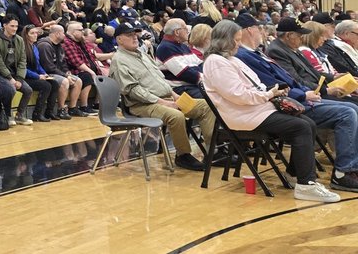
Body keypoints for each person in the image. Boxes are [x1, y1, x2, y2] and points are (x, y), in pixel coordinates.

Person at [202, 19, 340, 203]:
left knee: (308, 122)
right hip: (243, 115)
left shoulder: (230, 59)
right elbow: (239, 96)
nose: (237, 43)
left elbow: (255, 85)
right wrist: (268, 94)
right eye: (235, 39)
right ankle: (306, 184)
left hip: (255, 109)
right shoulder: (215, 62)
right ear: (224, 40)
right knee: (301, 127)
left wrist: (271, 92)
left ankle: (295, 174)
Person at [234, 12, 358, 192]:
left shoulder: (263, 52)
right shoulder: (259, 53)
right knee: (348, 112)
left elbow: (298, 77)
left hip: (300, 96)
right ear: (249, 30)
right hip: (289, 102)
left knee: (351, 108)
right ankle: (343, 172)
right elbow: (276, 83)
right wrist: (308, 93)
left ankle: (349, 167)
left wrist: (327, 83)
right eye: (258, 28)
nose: (262, 31)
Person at [109, 21, 215, 172]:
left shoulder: (143, 55)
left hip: (166, 97)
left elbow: (160, 79)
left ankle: (213, 151)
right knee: (176, 115)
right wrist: (164, 102)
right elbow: (133, 91)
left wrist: (174, 95)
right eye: (129, 35)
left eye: (135, 34)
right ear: (119, 39)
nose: (134, 38)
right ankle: (183, 155)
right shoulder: (119, 61)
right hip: (143, 105)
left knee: (206, 106)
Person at [0, 17, 35, 127]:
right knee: (11, 89)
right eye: (12, 26)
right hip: (0, 73)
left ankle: (19, 115)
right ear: (4, 25)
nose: (15, 28)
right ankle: (8, 114)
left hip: (15, 74)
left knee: (28, 90)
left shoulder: (19, 40)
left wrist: (19, 78)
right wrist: (10, 78)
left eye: (16, 26)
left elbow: (22, 60)